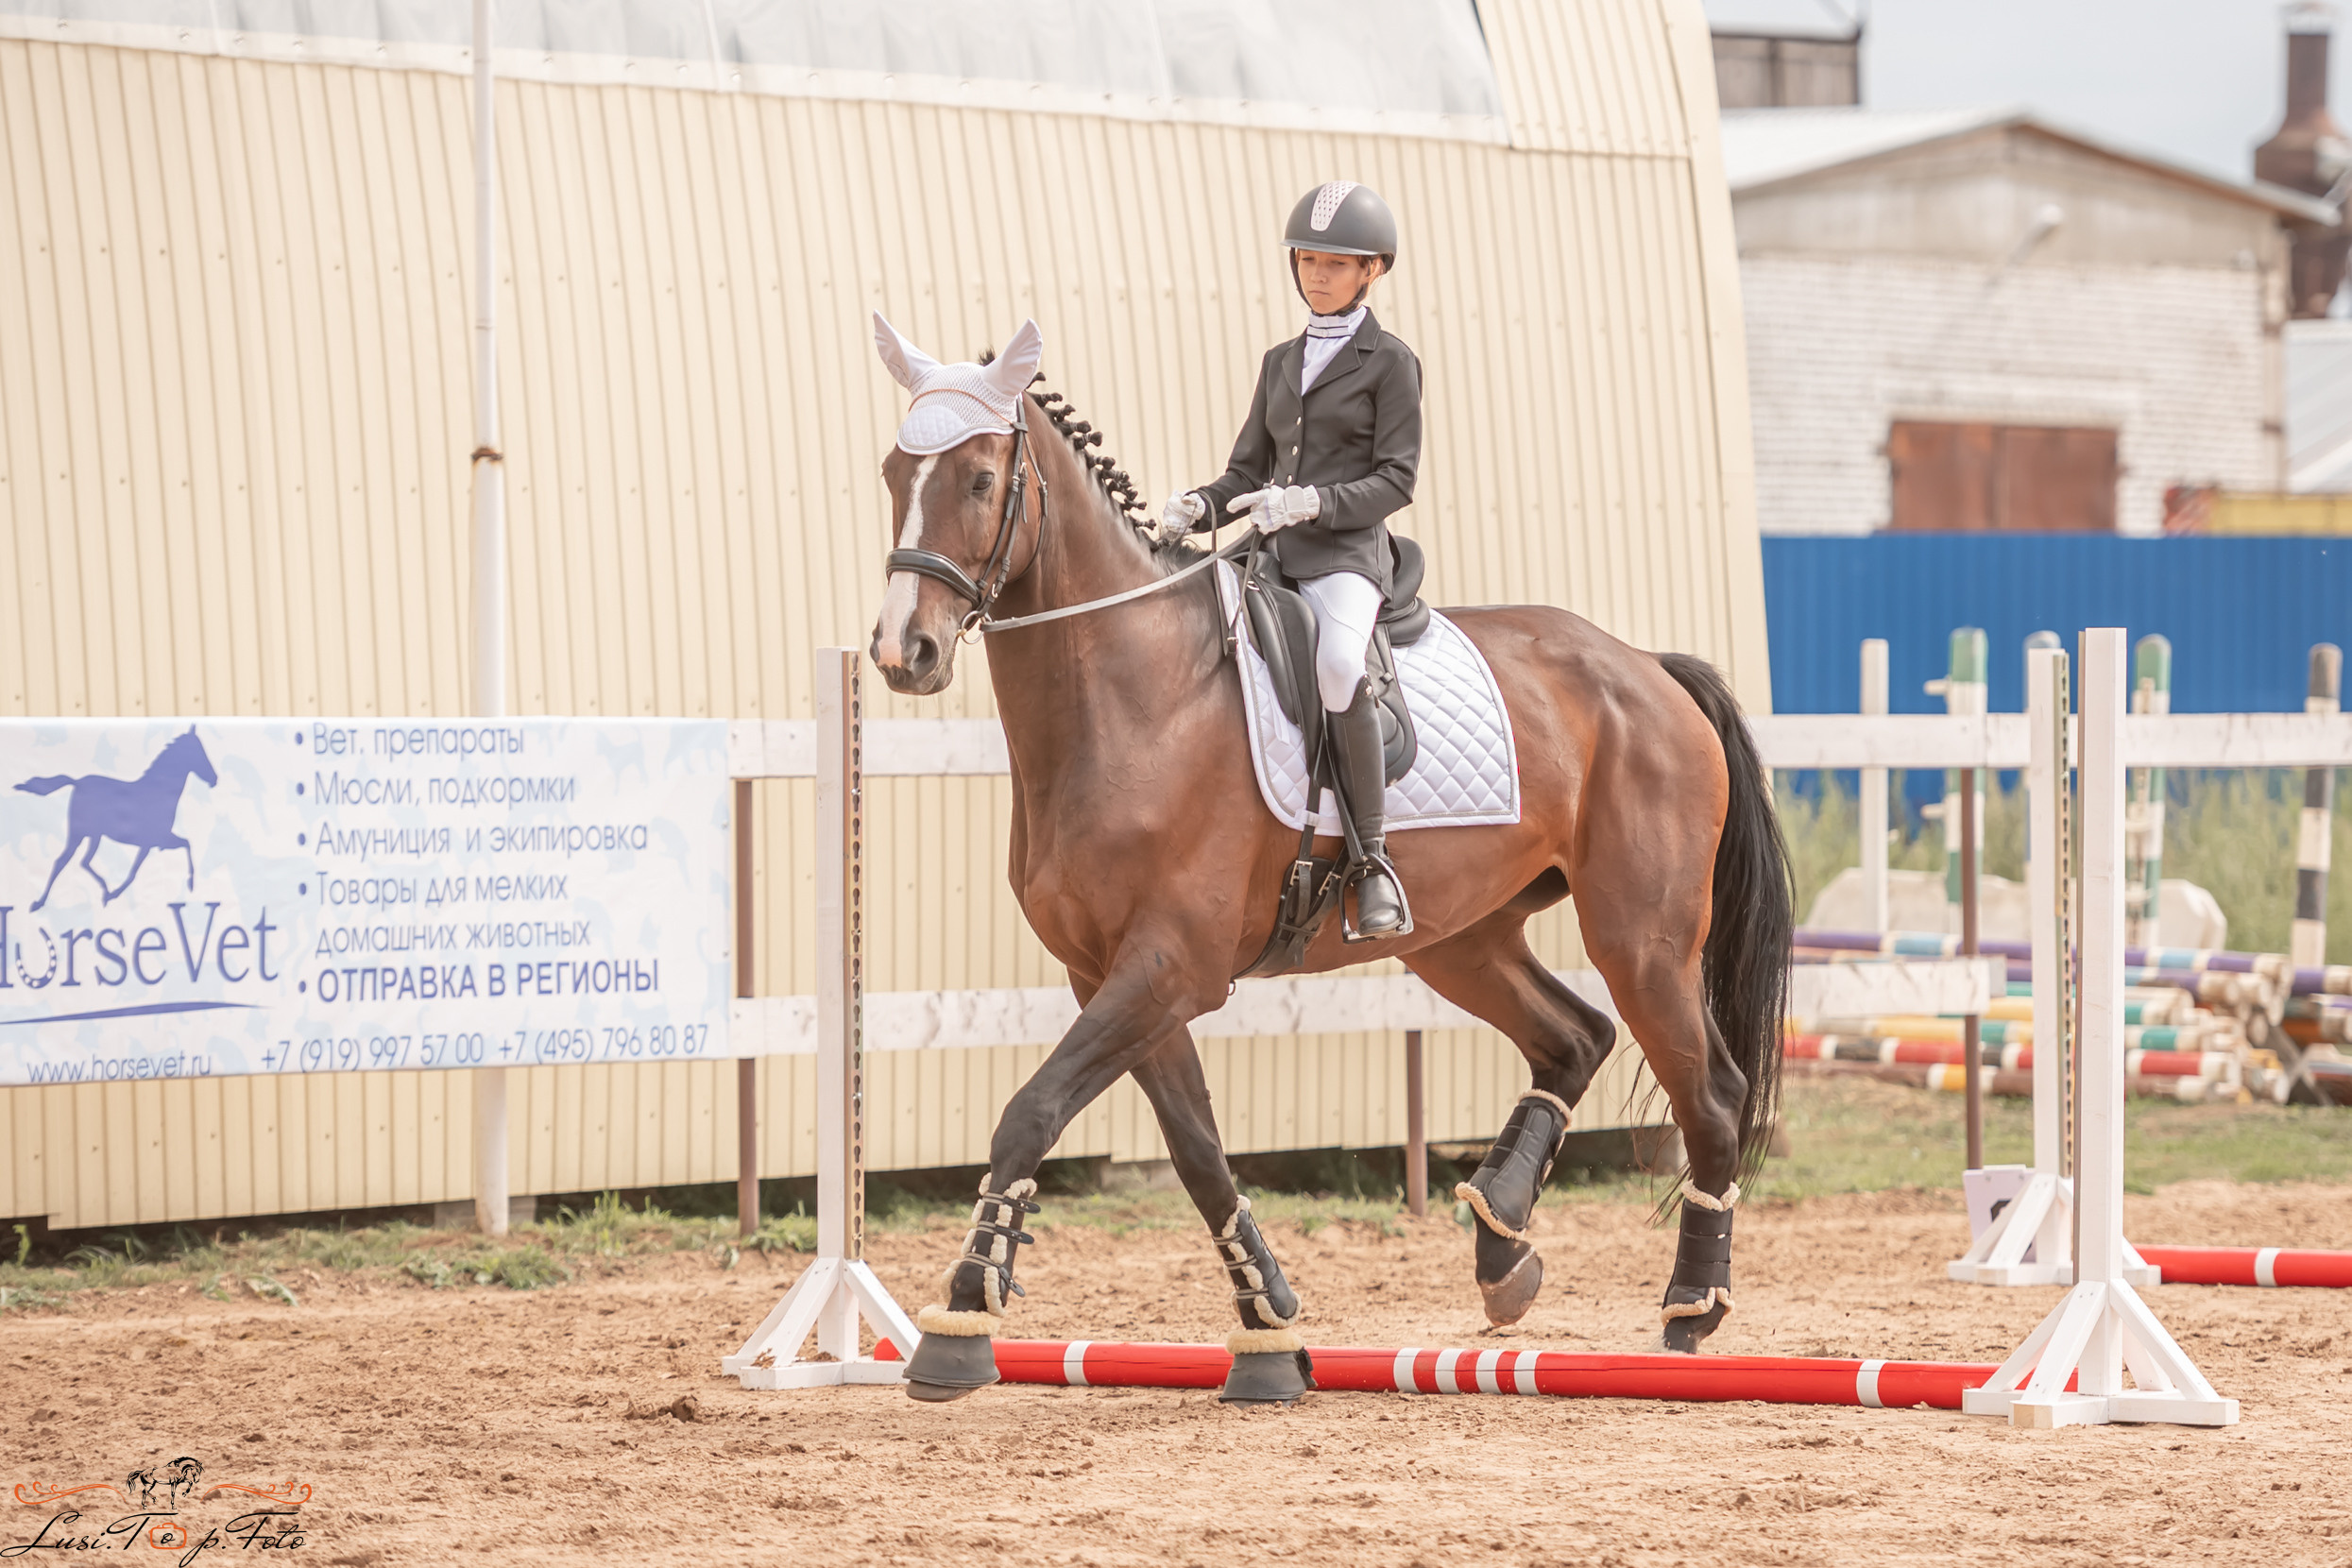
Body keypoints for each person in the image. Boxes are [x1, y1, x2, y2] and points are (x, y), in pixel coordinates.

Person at [1163, 180, 1422, 937]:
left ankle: (1372, 861)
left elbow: (1397, 479)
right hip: (1270, 553)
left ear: (1372, 270)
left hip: (1345, 558)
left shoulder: (1391, 363)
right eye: (1308, 260)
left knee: (1339, 667)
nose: (1317, 275)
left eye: (1335, 264)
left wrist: (1314, 503)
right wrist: (1201, 505)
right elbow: (1249, 469)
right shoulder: (1281, 361)